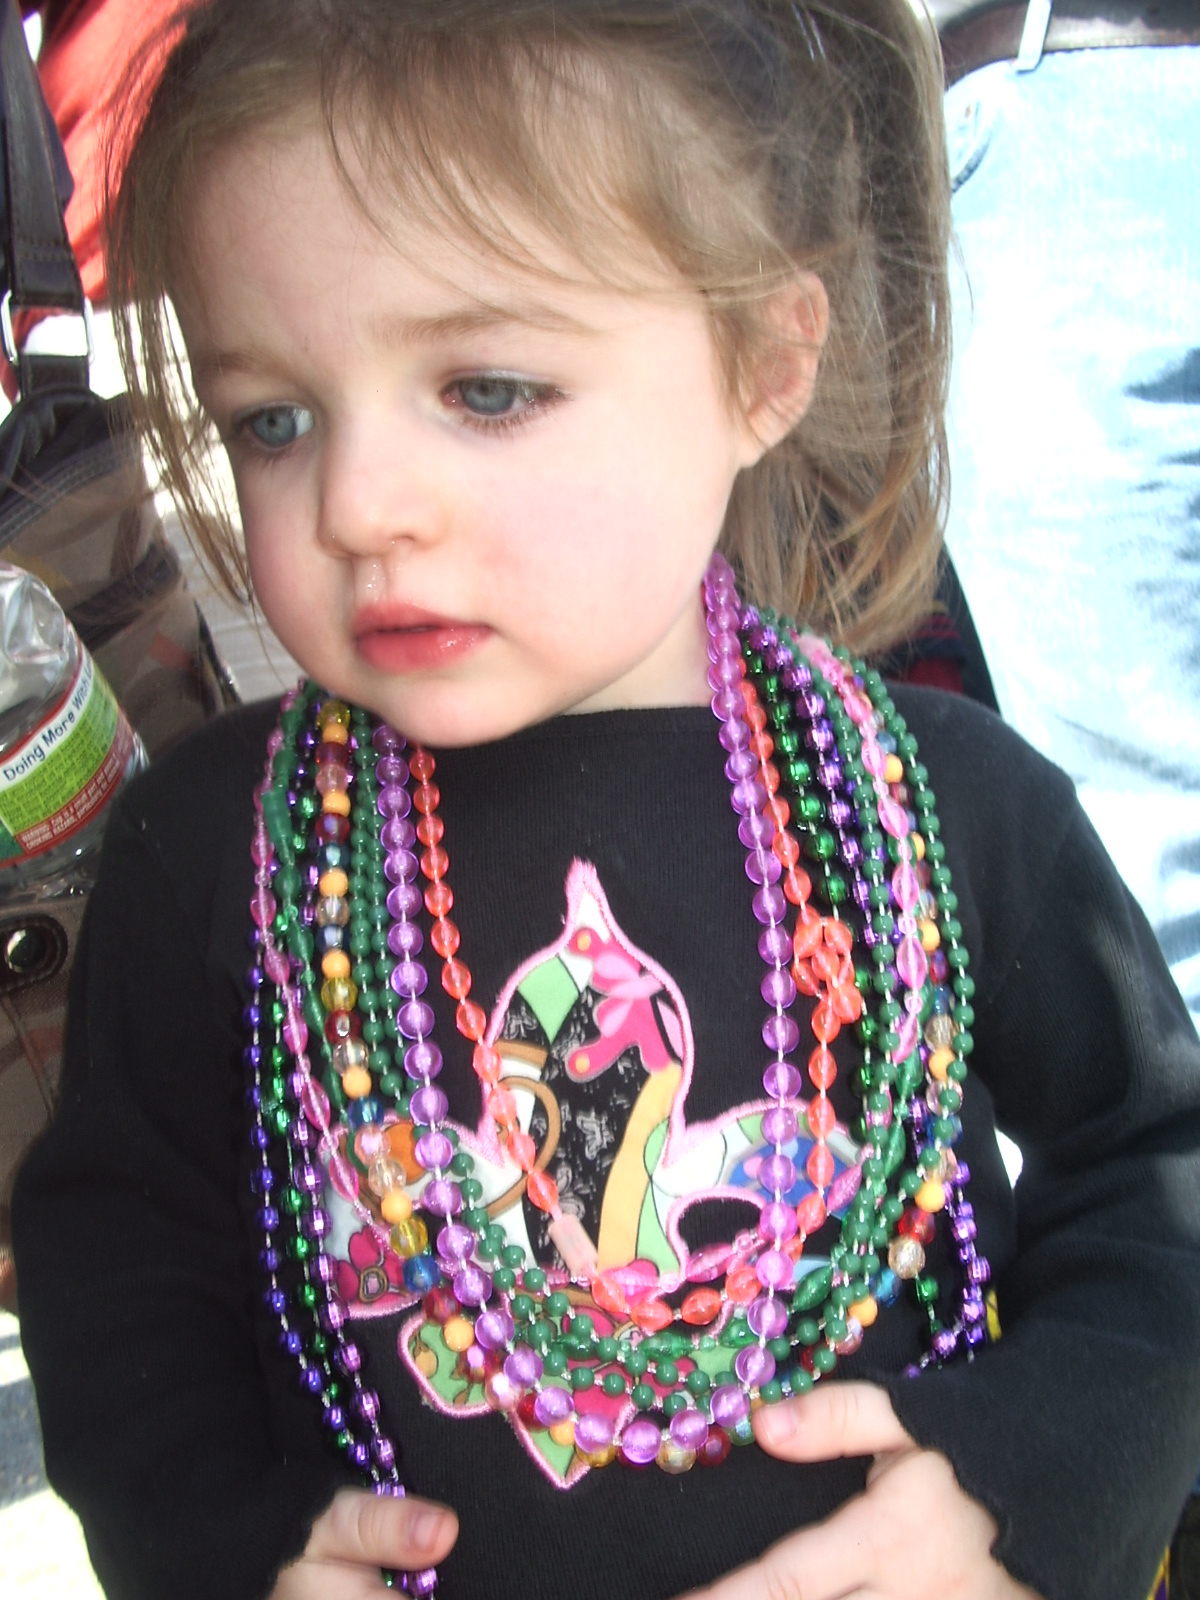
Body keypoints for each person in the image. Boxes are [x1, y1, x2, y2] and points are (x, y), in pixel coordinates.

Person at [10, 3, 1200, 1598]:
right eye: (274, 421)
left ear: (766, 363)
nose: (359, 503)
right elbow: (120, 1273)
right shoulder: (216, 858)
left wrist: (1036, 1479)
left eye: (488, 389)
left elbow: (1158, 1174)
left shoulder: (941, 806)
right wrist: (226, 1548)